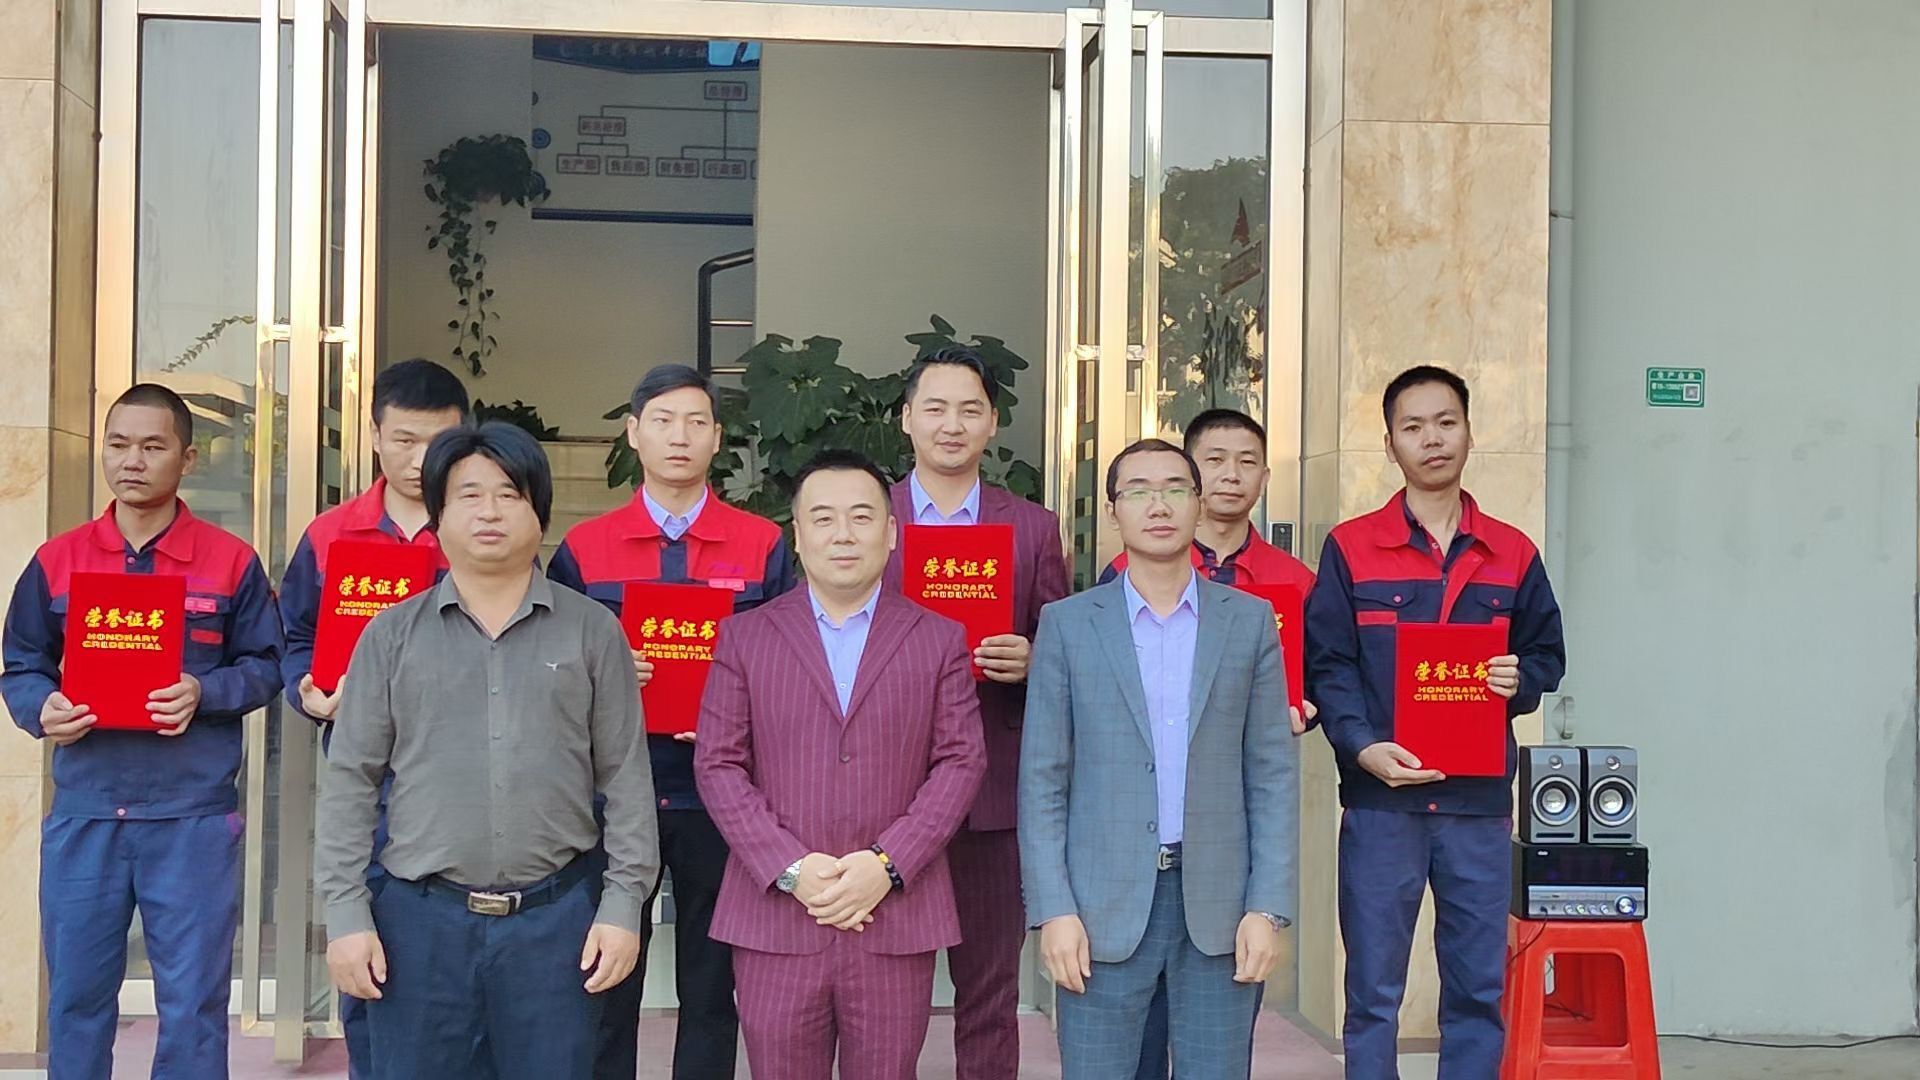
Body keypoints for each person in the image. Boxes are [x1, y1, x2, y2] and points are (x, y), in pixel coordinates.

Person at [315, 423, 659, 1078]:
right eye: (469, 495)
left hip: (555, 926)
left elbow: (625, 779)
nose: (490, 511)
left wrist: (622, 908)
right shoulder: (389, 636)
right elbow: (351, 782)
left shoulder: (593, 632)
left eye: (509, 494)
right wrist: (346, 914)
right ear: (439, 516)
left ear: (539, 513)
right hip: (419, 927)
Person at [2, 383, 283, 1079]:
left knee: (193, 1005)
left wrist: (205, 692)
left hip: (191, 817)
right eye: (119, 444)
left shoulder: (229, 561)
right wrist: (42, 707)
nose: (132, 461)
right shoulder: (59, 559)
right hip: (88, 811)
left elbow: (267, 665)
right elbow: (22, 663)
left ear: (187, 458)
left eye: (153, 446)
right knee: (76, 999)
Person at [1305, 366, 1565, 1079]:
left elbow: (1546, 655)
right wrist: (1361, 748)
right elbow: (1329, 664)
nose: (1432, 439)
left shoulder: (1513, 551)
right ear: (1390, 443)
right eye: (1413, 426)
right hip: (1382, 804)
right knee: (1372, 994)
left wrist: (1520, 680)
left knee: (1478, 991)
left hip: (1477, 807)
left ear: (1470, 433)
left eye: (1446, 422)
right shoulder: (1352, 547)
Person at [696, 449, 987, 1080]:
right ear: (798, 536)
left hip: (894, 915)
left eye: (861, 516)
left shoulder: (938, 638)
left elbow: (961, 762)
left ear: (891, 531)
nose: (843, 534)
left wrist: (887, 864)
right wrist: (791, 868)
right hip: (777, 918)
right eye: (823, 519)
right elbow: (718, 765)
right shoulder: (746, 637)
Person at [1020, 437, 1297, 1080]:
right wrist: (1054, 910)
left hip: (1219, 908)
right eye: (1138, 491)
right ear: (1113, 510)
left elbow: (1271, 775)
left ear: (1199, 503)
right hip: (1100, 909)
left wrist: (1267, 906)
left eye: (1175, 489)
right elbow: (1042, 781)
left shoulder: (1249, 621)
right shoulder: (1067, 624)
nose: (1159, 505)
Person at [549, 363, 797, 1080]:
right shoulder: (584, 548)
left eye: (696, 423)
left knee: (713, 987)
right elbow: (549, 665)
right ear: (634, 433)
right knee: (603, 980)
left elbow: (791, 662)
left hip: (723, 799)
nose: (679, 437)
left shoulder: (762, 544)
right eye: (662, 421)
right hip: (610, 796)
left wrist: (735, 704)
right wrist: (604, 671)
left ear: (718, 437)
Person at [1103, 408, 1318, 1080]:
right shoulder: (1116, 581)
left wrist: (1310, 711)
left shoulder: (1288, 584)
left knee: (1216, 1052)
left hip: (1219, 862)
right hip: (1128, 869)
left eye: (1246, 461)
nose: (1231, 474)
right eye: (1214, 460)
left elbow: (1319, 681)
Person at [881, 344, 1070, 1079]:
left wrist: (1034, 659)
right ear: (907, 419)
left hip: (994, 793)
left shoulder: (1033, 527)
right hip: (885, 793)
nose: (951, 425)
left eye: (970, 410)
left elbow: (1066, 650)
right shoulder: (869, 516)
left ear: (993, 422)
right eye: (935, 408)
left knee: (989, 992)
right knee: (884, 993)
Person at [278, 357, 468, 1080]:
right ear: (376, 436)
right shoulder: (330, 535)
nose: (420, 461)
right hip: (364, 780)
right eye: (404, 440)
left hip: (458, 779)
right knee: (366, 954)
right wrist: (307, 691)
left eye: (438, 442)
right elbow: (293, 639)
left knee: (457, 965)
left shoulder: (481, 526)